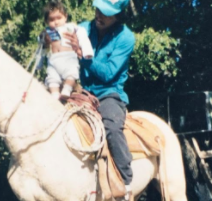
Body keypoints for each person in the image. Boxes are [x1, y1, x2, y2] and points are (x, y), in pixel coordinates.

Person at [64, 0, 135, 200]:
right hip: (82, 91)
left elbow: (109, 74)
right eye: (98, 9)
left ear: (118, 15)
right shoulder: (85, 28)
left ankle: (126, 181)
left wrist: (83, 56)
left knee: (112, 127)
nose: (99, 15)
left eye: (106, 13)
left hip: (109, 93)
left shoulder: (126, 38)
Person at [42, 1, 94, 99]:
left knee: (72, 73)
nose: (56, 22)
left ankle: (67, 88)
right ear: (46, 21)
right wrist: (39, 63)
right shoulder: (46, 33)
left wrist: (87, 51)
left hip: (68, 58)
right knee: (52, 78)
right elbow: (41, 48)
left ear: (65, 16)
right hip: (53, 60)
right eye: (52, 19)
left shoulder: (72, 27)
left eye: (59, 18)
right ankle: (55, 94)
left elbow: (82, 36)